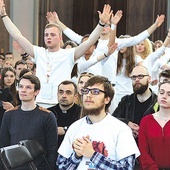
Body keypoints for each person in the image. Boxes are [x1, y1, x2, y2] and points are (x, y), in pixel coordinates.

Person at [0, 1, 112, 108]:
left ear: (60, 38)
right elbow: (18, 36)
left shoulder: (69, 54)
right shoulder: (39, 52)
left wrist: (101, 24)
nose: (48, 37)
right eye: (46, 35)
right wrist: (4, 15)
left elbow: (89, 42)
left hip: (60, 103)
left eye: (52, 35)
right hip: (39, 102)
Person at [57, 75, 140, 169]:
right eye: (86, 91)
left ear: (107, 99)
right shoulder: (74, 127)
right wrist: (76, 156)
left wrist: (93, 155)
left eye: (95, 92)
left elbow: (127, 168)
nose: (88, 95)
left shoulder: (121, 129)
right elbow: (61, 166)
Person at [0, 74, 58, 170]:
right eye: (21, 86)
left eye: (28, 87)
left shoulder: (47, 116)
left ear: (36, 92)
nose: (23, 90)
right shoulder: (9, 115)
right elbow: (3, 146)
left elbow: (52, 150)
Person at [112, 66, 157, 138]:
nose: (136, 79)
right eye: (134, 77)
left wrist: (143, 132)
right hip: (129, 144)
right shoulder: (126, 101)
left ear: (149, 79)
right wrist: (127, 124)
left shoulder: (157, 102)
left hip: (151, 145)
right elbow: (113, 119)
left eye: (140, 76)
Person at [138, 81, 170, 169]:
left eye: (169, 94)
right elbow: (143, 152)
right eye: (162, 92)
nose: (164, 96)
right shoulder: (146, 121)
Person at [48, 80, 81, 149]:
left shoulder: (82, 113)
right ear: (57, 94)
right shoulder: (48, 113)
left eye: (68, 93)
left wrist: (65, 130)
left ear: (75, 97)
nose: (64, 96)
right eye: (61, 92)